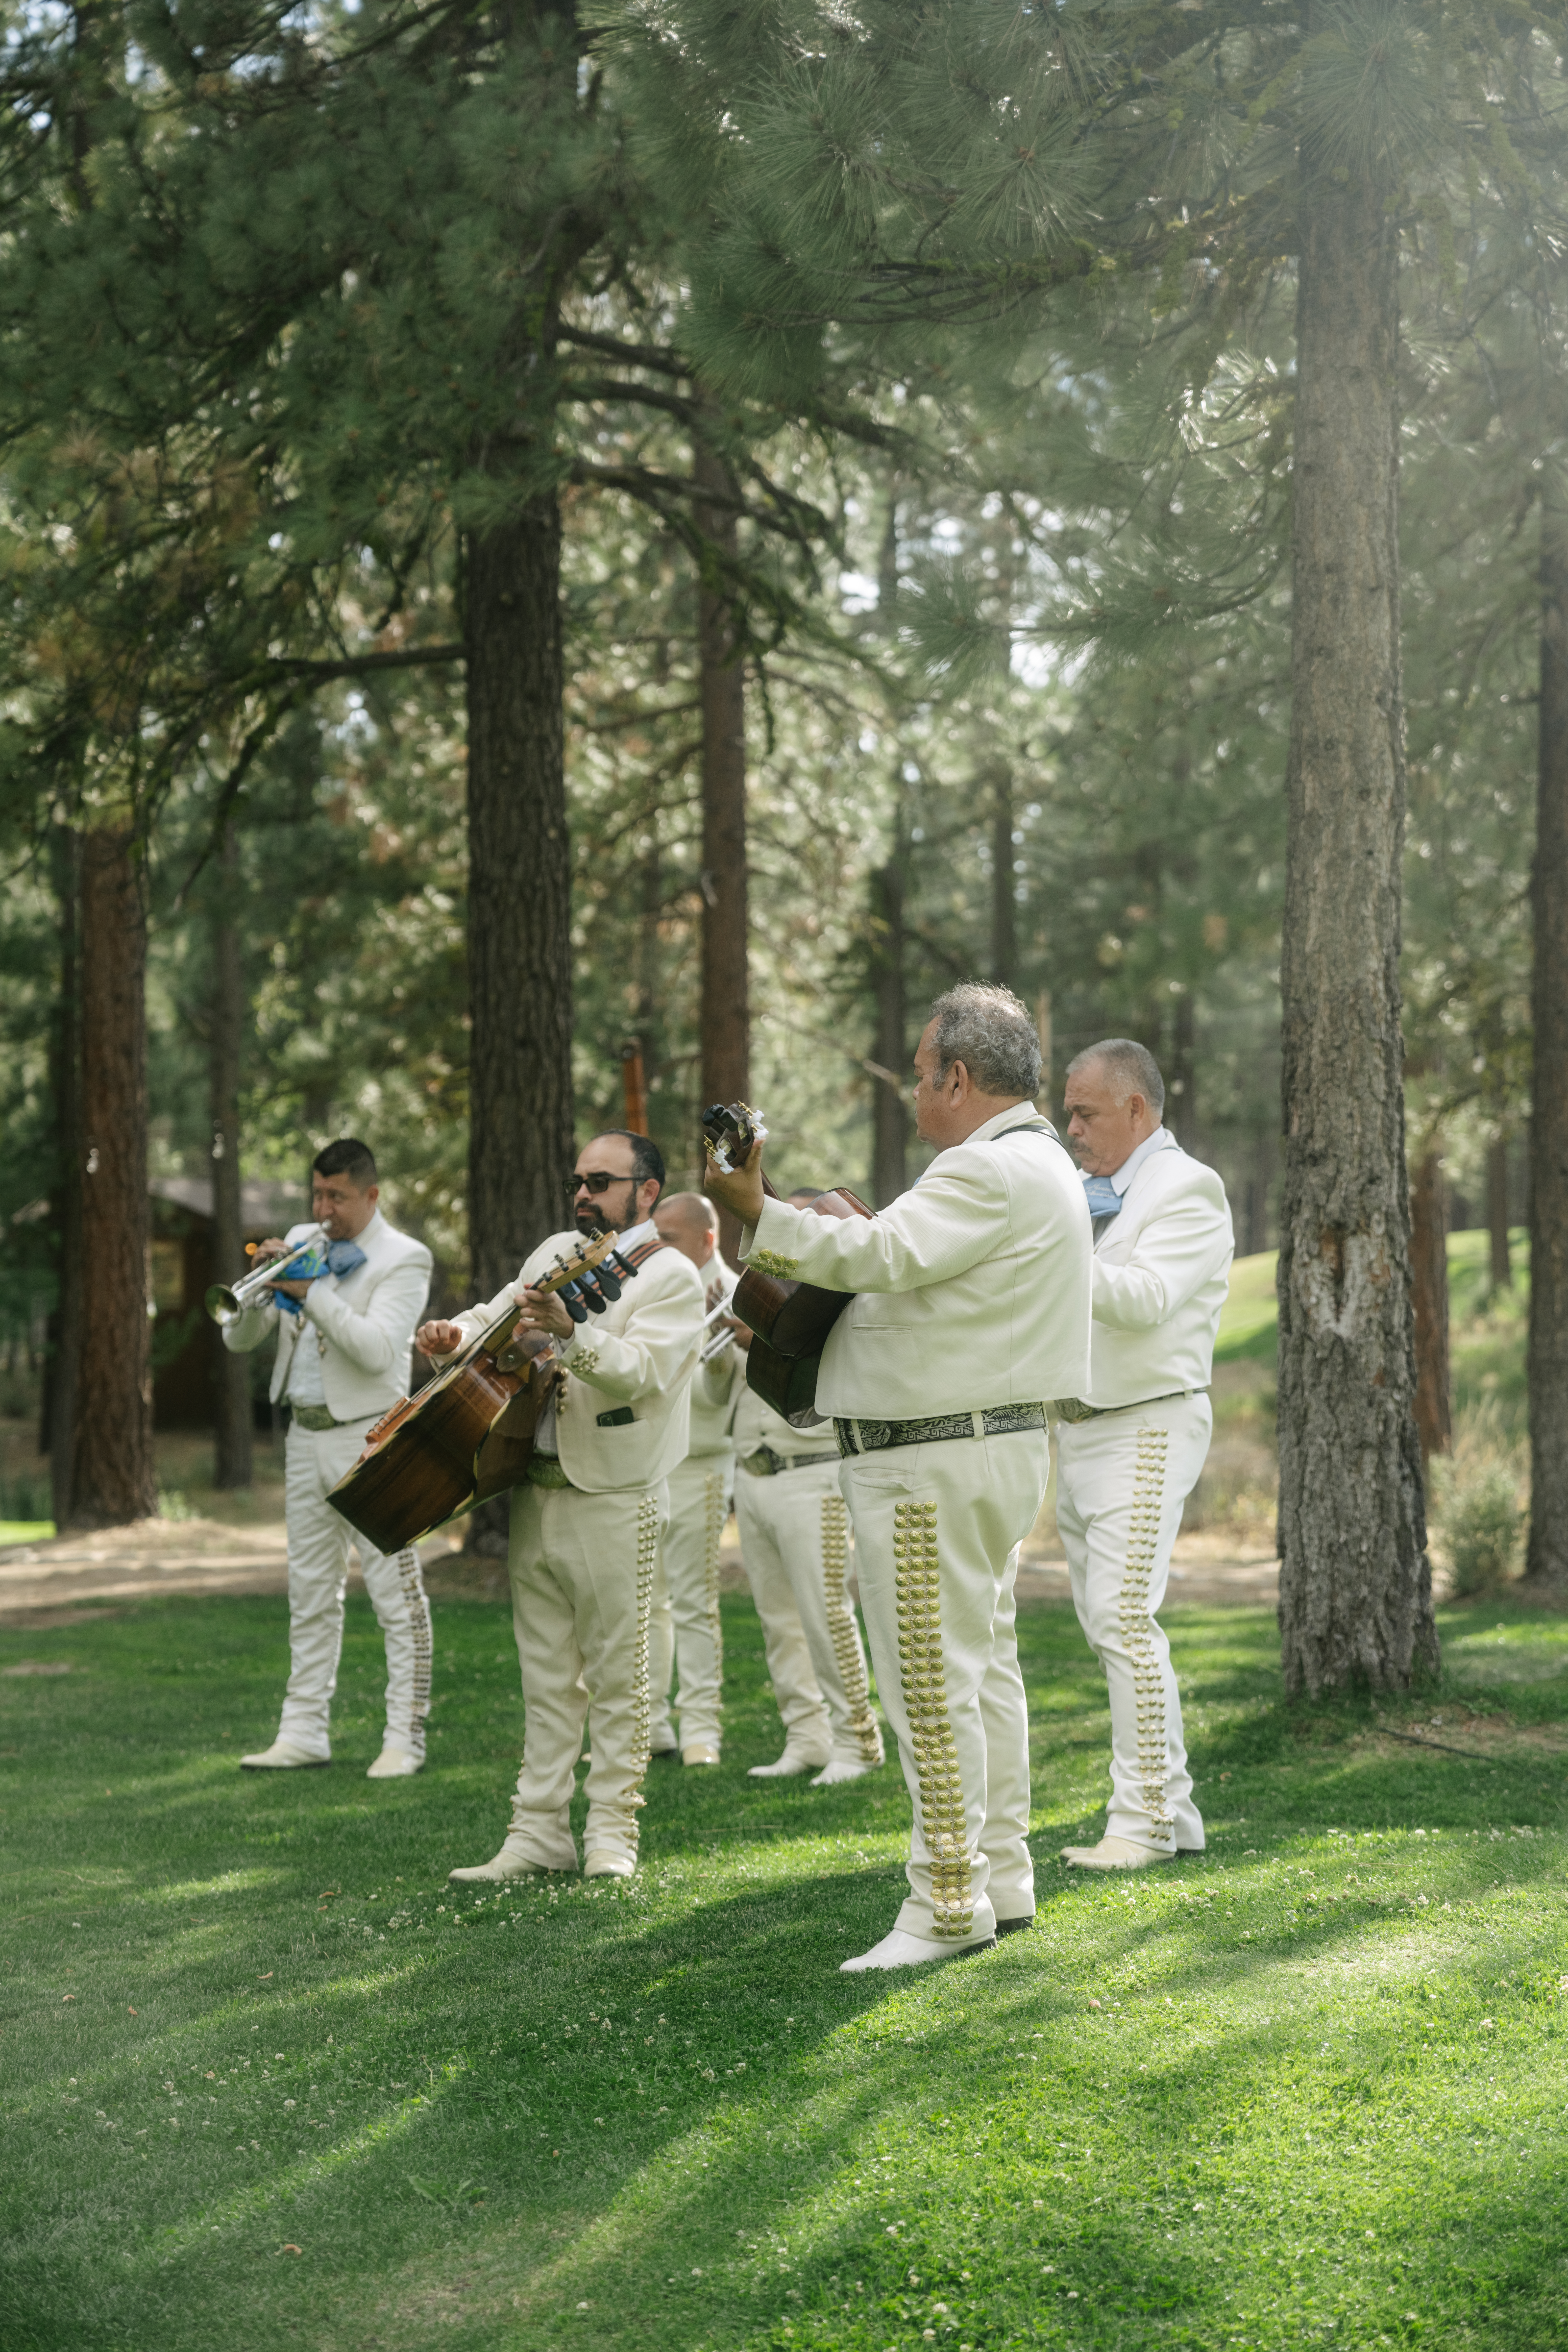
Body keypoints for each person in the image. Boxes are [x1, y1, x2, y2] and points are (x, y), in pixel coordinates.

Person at [706, 982, 1092, 1972]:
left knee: (931, 1682)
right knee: (983, 1672)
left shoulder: (985, 1169)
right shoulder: (1040, 1164)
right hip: (984, 1449)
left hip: (930, 1461)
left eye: (922, 1077)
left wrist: (757, 1208)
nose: (916, 1097)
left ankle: (946, 1905)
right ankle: (1002, 1878)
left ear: (960, 1078)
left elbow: (878, 1252)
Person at [417, 1131, 704, 1883]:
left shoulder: (671, 1275)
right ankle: (538, 1833)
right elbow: (498, 1317)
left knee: (621, 1678)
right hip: (536, 1489)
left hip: (617, 1497)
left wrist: (573, 1336)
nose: (583, 1193)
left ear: (646, 1192)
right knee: (545, 1683)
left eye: (602, 1181)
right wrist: (453, 1338)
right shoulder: (554, 1251)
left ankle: (613, 1834)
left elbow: (647, 1374)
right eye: (579, 1179)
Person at [1054, 1039, 1234, 1869]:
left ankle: (1146, 1822)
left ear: (1136, 1108)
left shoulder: (1185, 1187)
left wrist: (1048, 1251)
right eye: (1067, 1109)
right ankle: (1174, 1808)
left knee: (1125, 1619)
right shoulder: (1085, 1192)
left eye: (1085, 1111)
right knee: (1104, 1621)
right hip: (1079, 1428)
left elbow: (1147, 1299)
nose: (1070, 1126)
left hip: (1147, 1425)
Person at [223, 1139, 435, 1777]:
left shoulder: (405, 1257)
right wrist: (257, 1296)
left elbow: (375, 1351)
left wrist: (310, 1290)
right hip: (303, 1434)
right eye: (318, 1194)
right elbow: (243, 1340)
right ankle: (303, 1731)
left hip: (372, 1439)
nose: (323, 1209)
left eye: (337, 1197)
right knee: (310, 1593)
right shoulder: (300, 1239)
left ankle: (405, 1739)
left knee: (396, 1596)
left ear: (371, 1195)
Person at [724, 1191, 884, 1787]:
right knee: (778, 1621)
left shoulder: (841, 1288)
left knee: (826, 1617)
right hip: (755, 1477)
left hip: (812, 1475)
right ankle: (806, 1735)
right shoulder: (765, 1296)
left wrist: (762, 1340)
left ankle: (858, 1740)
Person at [646, 1190, 740, 1767]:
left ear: (707, 1240)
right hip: (647, 1461)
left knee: (694, 1601)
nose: (659, 1250)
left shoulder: (728, 1295)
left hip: (700, 1463)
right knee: (643, 1601)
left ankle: (701, 1726)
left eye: (671, 1240)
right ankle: (650, 1721)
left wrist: (720, 1353)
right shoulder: (655, 1288)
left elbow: (713, 1399)